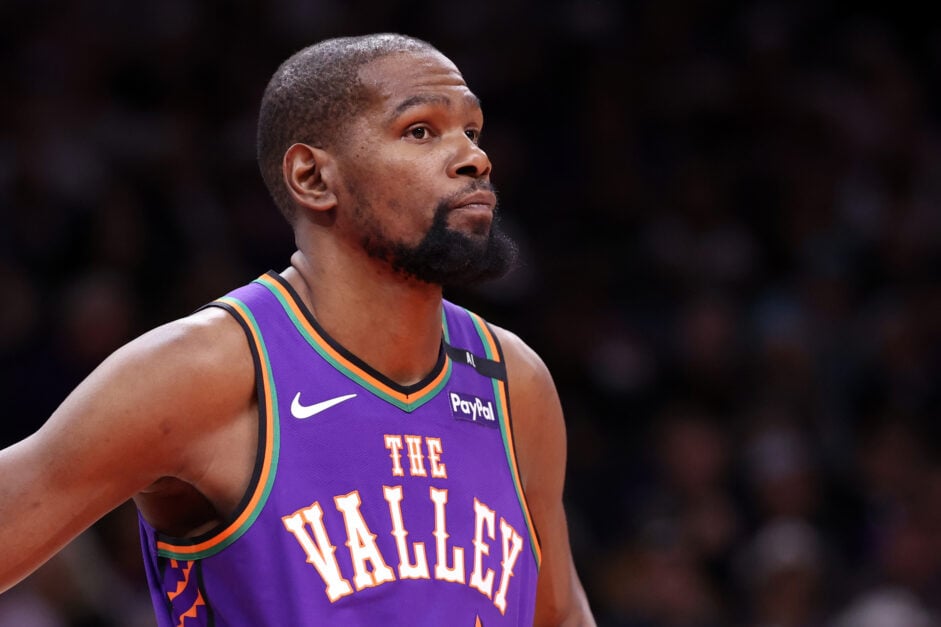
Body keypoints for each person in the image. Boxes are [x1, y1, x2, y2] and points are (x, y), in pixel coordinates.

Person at [0, 33, 596, 626]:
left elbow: (560, 615)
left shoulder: (511, 380)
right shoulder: (205, 371)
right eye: (421, 130)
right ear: (312, 177)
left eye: (472, 131)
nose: (474, 157)